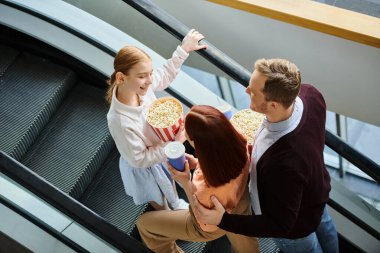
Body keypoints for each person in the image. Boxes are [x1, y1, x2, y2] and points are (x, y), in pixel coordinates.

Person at [192, 59, 339, 253]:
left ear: (273, 105)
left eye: (253, 92)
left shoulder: (283, 163)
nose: (246, 91)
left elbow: (279, 225)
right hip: (317, 194)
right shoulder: (311, 95)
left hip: (296, 230)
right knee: (327, 234)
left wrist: (223, 220)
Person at [106, 29, 207, 210]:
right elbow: (139, 159)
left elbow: (164, 74)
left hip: (162, 152)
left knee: (171, 185)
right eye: (142, 76)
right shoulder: (119, 120)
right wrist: (175, 142)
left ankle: (176, 203)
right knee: (159, 199)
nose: (150, 80)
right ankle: (166, 217)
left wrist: (184, 49)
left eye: (150, 73)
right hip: (145, 169)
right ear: (121, 77)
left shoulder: (142, 89)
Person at [136, 105, 259, 253]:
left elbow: (203, 219)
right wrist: (198, 162)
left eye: (188, 139)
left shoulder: (204, 189)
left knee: (145, 225)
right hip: (239, 199)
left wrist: (186, 183)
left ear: (200, 145)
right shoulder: (241, 141)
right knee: (244, 241)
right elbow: (219, 155)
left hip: (211, 223)